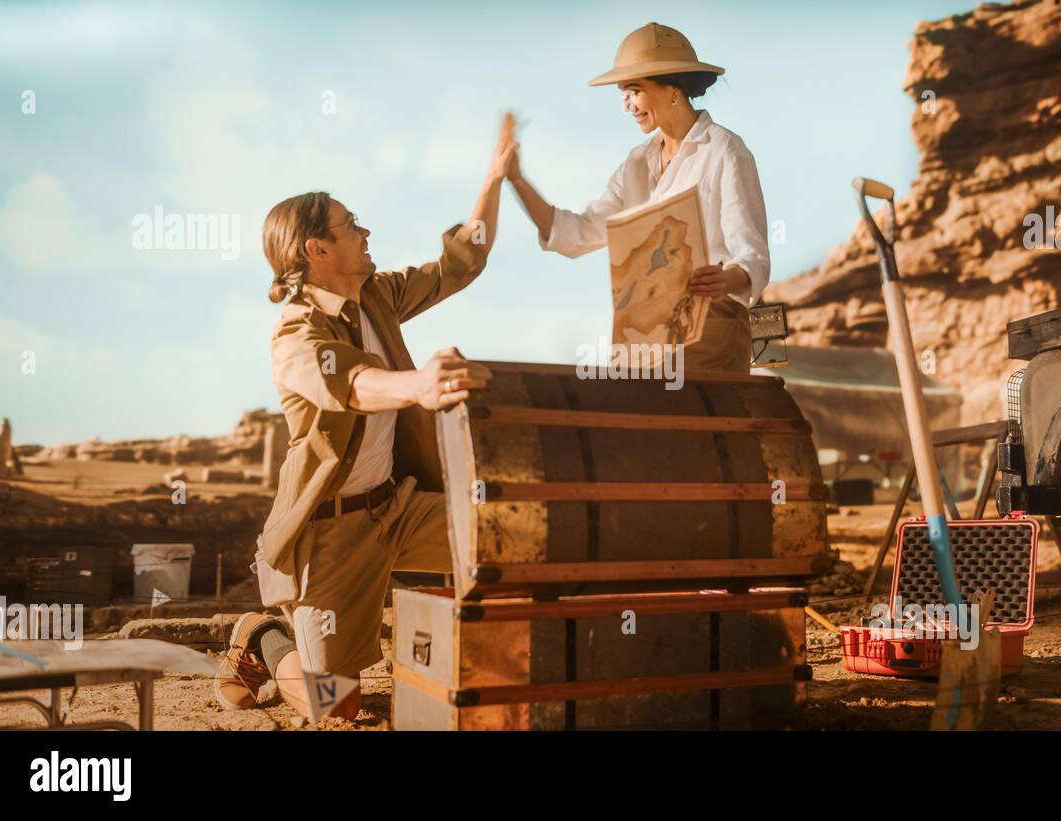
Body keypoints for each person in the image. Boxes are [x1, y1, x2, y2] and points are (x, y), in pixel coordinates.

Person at [215, 118, 516, 721]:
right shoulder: (297, 332)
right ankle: (261, 637)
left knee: (510, 537)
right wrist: (419, 385)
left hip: (398, 506)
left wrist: (493, 178)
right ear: (316, 249)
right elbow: (351, 383)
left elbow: (461, 262)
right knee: (340, 705)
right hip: (333, 535)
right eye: (352, 225)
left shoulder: (375, 295)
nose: (366, 229)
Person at [507, 22, 770, 373]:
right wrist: (516, 180)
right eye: (623, 94)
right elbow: (578, 233)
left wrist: (729, 277)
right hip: (644, 343)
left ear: (672, 89)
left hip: (712, 333)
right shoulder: (635, 163)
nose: (626, 106)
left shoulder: (725, 150)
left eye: (633, 91)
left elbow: (753, 256)